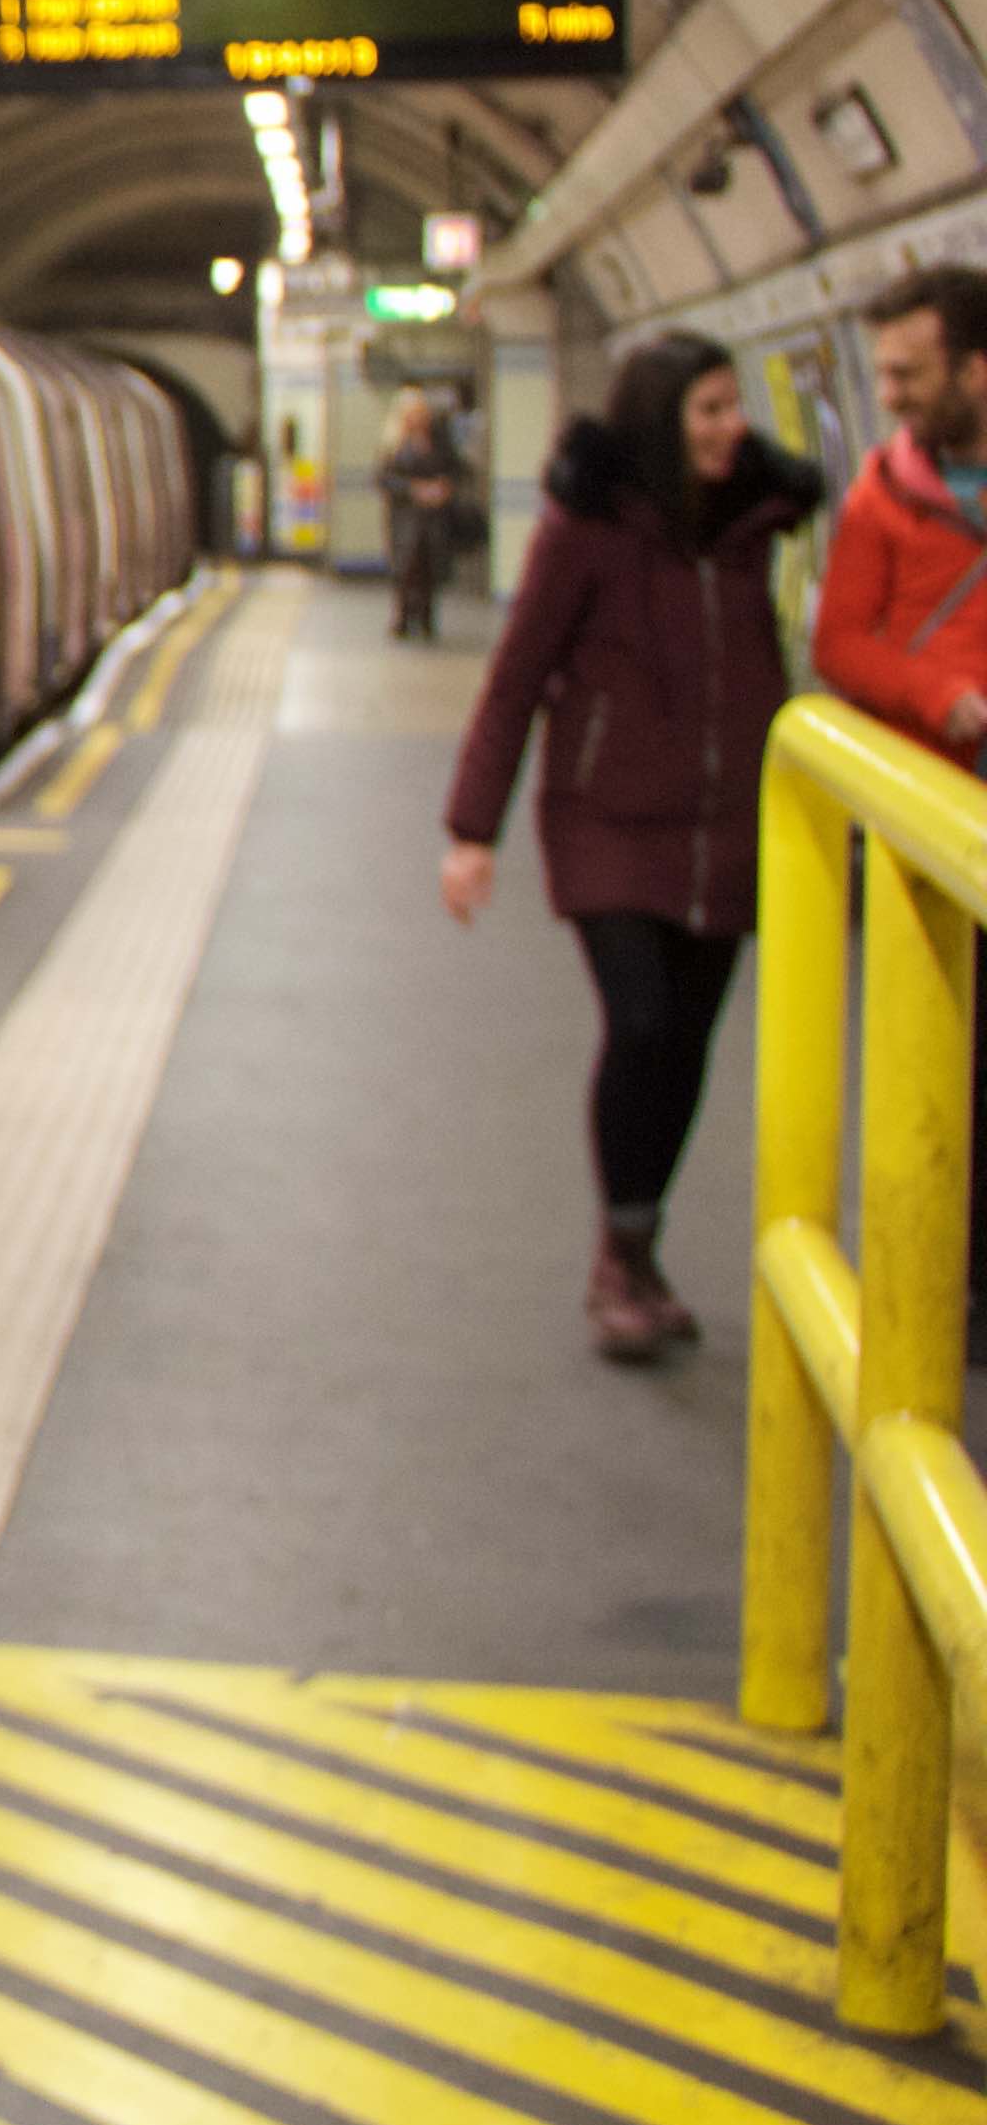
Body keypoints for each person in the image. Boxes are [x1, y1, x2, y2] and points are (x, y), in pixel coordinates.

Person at [440, 336, 821, 1359]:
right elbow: (516, 677)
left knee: (688, 1045)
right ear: (661, 420)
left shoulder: (752, 528)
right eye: (708, 411)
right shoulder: (587, 531)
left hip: (729, 826)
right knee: (644, 1021)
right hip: (607, 820)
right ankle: (618, 1258)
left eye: (733, 408)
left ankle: (641, 1244)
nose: (731, 428)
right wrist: (473, 831)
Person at [818, 260, 987, 762]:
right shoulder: (881, 494)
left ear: (974, 373)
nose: (889, 398)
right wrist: (937, 694)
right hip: (935, 778)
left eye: (907, 375)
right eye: (882, 376)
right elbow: (838, 644)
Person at [382, 386, 474, 641]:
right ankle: (402, 615)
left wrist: (444, 487)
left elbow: (458, 469)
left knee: (429, 565)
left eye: (421, 412)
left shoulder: (439, 440)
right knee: (406, 565)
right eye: (412, 413)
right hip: (405, 517)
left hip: (434, 518)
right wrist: (414, 490)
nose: (418, 418)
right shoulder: (394, 444)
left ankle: (425, 616)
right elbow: (384, 478)